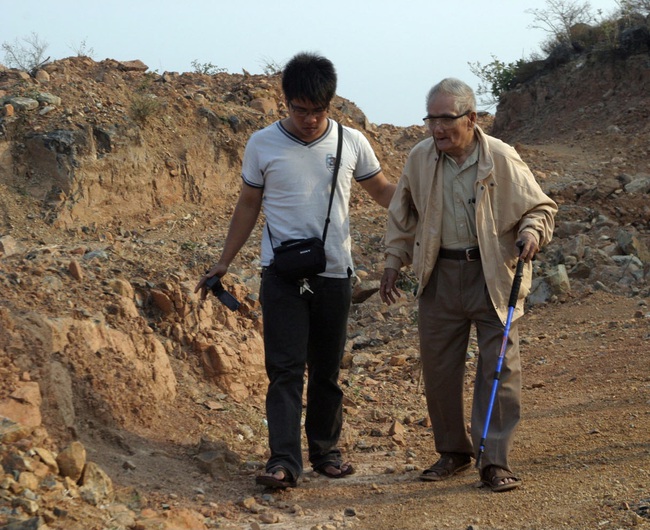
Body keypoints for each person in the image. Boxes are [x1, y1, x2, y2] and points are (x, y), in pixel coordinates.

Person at [195, 52, 395, 489]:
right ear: (285, 102)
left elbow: (384, 193)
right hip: (281, 276)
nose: (308, 119)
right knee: (285, 369)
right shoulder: (262, 144)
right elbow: (248, 204)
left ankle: (326, 452)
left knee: (326, 370)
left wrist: (427, 201)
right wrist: (224, 261)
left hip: (335, 273)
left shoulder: (352, 142)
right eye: (299, 110)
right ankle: (283, 461)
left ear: (331, 104)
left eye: (317, 111)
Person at [379, 78, 557, 492]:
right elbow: (402, 215)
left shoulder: (500, 156)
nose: (437, 129)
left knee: (499, 368)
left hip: (492, 274)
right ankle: (453, 452)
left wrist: (532, 233)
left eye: (446, 119)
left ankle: (493, 460)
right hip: (439, 275)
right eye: (431, 119)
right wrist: (392, 261)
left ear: (471, 118)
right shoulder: (421, 158)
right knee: (440, 370)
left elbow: (539, 207)